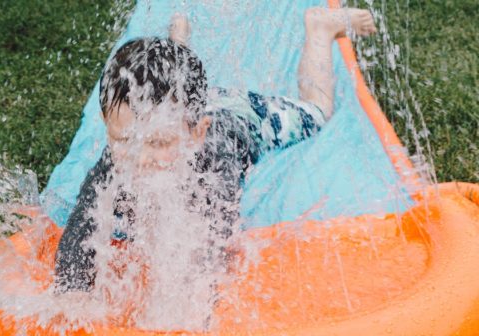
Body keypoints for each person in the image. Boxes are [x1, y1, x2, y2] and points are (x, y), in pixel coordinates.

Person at [53, 7, 378, 292]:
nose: (139, 159)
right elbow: (83, 224)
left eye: (158, 144)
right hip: (178, 113)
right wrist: (72, 291)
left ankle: (319, 28)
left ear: (195, 137)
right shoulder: (125, 152)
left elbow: (213, 248)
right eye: (124, 141)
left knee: (317, 113)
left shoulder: (212, 165)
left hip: (236, 116)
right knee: (169, 99)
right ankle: (177, 44)